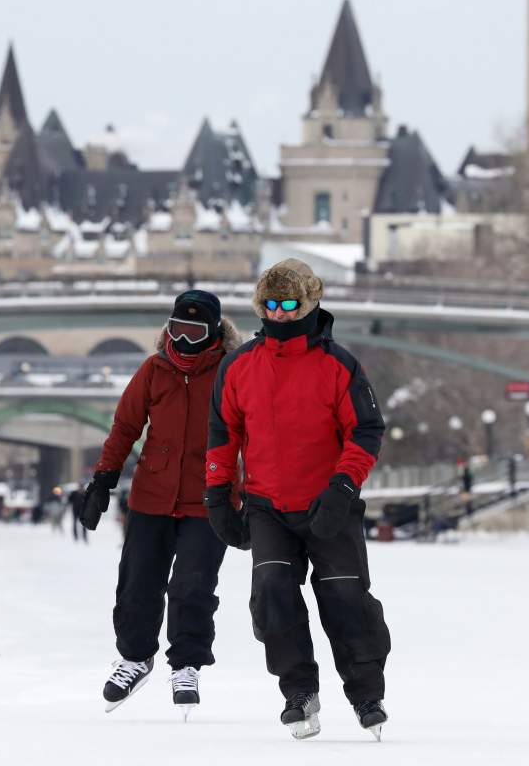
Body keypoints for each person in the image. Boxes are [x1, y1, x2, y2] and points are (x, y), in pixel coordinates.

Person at [205, 258, 391, 742]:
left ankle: (366, 693)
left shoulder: (340, 365)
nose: (281, 313)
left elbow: (366, 430)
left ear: (309, 303)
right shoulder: (238, 367)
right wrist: (218, 497)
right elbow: (223, 436)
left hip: (330, 505)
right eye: (271, 304)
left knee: (345, 597)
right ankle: (299, 691)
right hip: (267, 506)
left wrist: (344, 486)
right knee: (271, 595)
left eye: (290, 304)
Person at [78, 290, 240, 718]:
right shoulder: (154, 369)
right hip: (152, 497)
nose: (184, 342)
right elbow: (126, 426)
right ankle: (135, 658)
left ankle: (186, 664)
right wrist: (102, 480)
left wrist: (252, 495)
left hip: (210, 499)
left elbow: (256, 434)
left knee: (192, 586)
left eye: (195, 332)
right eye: (178, 331)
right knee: (137, 583)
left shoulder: (231, 372)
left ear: (214, 334)